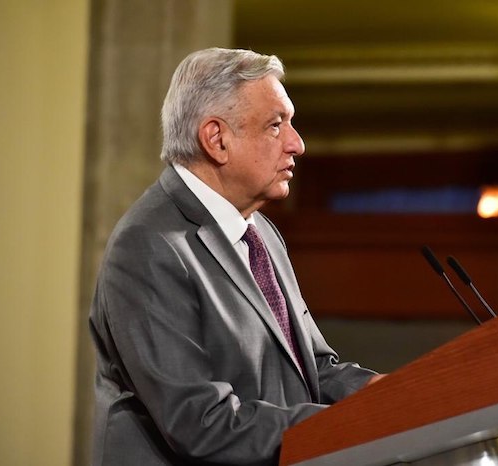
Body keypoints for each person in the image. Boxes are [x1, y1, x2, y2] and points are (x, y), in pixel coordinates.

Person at [89, 48, 383, 466]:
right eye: (276, 125)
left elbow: (313, 368)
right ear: (217, 139)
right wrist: (346, 425)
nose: (297, 144)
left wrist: (394, 395)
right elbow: (200, 421)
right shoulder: (148, 246)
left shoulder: (260, 231)